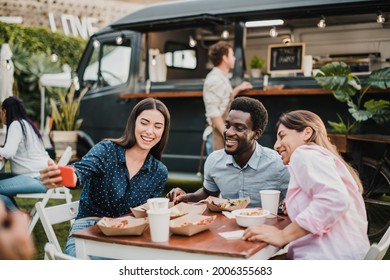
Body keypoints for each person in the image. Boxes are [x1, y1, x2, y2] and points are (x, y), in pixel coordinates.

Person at [39, 97, 171, 257]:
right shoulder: (107, 150)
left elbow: (146, 214)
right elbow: (79, 171)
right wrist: (63, 176)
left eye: (157, 126)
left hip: (126, 234)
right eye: (144, 123)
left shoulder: (159, 172)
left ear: (163, 131)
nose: (150, 131)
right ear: (133, 123)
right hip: (88, 229)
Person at [242, 110, 370, 259]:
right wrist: (295, 203)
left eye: (282, 136)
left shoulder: (304, 153)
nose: (276, 145)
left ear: (307, 133)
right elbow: (328, 196)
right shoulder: (323, 157)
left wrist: (283, 235)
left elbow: (335, 199)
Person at [168, 96, 289, 207]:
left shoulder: (278, 165)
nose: (228, 132)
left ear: (256, 134)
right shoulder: (214, 160)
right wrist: (185, 197)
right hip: (226, 229)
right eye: (228, 125)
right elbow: (208, 193)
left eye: (239, 128)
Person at [0, 96, 51, 211]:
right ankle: (17, 218)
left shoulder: (16, 125)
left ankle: (19, 221)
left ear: (5, 111)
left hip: (36, 178)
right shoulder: (27, 124)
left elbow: (8, 152)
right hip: (42, 176)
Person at [203, 41, 253, 155]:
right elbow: (214, 113)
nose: (234, 58)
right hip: (217, 136)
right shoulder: (214, 79)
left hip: (222, 133)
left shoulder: (221, 77)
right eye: (232, 55)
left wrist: (238, 89)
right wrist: (227, 134)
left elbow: (224, 99)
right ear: (225, 58)